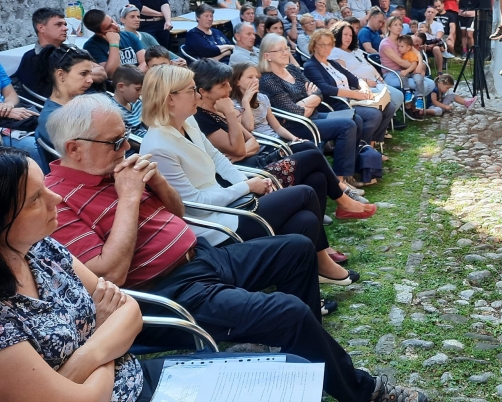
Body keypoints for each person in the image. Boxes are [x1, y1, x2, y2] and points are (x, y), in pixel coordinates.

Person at [42, 99, 425, 402]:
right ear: (75, 149)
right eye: (115, 142)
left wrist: (156, 182)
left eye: (126, 137)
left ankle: (305, 358)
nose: (126, 147)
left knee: (296, 248)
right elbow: (110, 276)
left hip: (201, 257)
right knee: (289, 312)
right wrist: (128, 197)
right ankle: (360, 391)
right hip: (165, 291)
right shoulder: (59, 202)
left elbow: (177, 213)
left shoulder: (113, 170)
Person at [140, 66, 366, 283]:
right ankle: (324, 261)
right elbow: (194, 204)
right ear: (171, 99)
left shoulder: (187, 122)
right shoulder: (158, 147)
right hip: (216, 226)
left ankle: (313, 273)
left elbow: (218, 158)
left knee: (305, 217)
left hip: (232, 204)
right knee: (305, 193)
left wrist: (248, 184)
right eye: (191, 90)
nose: (197, 95)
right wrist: (247, 187)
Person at [0, 149, 147, 402]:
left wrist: (84, 359)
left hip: (138, 379)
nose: (56, 198)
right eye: (34, 200)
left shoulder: (41, 248)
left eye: (45, 186)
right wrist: (103, 336)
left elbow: (129, 310)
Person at [230, 61, 376, 224]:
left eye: (256, 77)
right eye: (250, 77)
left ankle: (318, 212)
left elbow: (277, 127)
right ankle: (343, 193)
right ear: (237, 81)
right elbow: (248, 127)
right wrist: (246, 102)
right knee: (309, 149)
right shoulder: (233, 105)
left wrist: (293, 138)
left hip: (278, 141)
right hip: (265, 148)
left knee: (314, 166)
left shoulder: (262, 98)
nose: (255, 80)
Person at [258, 34, 365, 189]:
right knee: (347, 126)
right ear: (267, 56)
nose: (285, 52)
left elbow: (318, 92)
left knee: (356, 119)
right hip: (295, 126)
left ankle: (347, 175)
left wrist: (306, 103)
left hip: (311, 116)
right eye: (279, 50)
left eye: (286, 48)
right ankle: (339, 181)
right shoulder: (268, 80)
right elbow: (293, 112)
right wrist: (310, 101)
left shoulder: (292, 69)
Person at [303, 30, 396, 147]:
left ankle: (372, 143)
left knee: (389, 107)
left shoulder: (333, 63)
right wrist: (355, 94)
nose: (326, 48)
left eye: (329, 44)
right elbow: (325, 89)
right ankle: (362, 147)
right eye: (323, 45)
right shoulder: (310, 66)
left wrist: (364, 88)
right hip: (336, 104)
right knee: (374, 114)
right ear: (314, 45)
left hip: (351, 100)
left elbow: (355, 79)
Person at [13, 8, 106, 98]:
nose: (65, 28)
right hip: (72, 105)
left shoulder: (72, 50)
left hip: (97, 98)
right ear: (41, 28)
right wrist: (83, 74)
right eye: (59, 25)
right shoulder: (34, 58)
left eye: (65, 24)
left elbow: (102, 73)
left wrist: (78, 75)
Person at [329, 21, 405, 117]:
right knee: (386, 98)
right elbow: (344, 74)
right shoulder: (335, 52)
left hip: (375, 82)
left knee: (398, 96)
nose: (348, 37)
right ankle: (384, 119)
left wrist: (378, 77)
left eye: (351, 35)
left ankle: (387, 118)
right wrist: (364, 81)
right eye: (345, 34)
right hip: (359, 86)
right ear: (337, 35)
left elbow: (367, 65)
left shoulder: (355, 50)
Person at [34, 46, 96, 153]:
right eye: (83, 74)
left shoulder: (79, 105)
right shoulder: (53, 119)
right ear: (61, 75)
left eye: (90, 74)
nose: (90, 80)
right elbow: (81, 157)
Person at [379, 16, 435, 100]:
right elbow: (400, 62)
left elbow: (417, 53)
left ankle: (412, 103)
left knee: (431, 84)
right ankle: (411, 104)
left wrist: (420, 65)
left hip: (407, 70)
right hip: (392, 74)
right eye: (395, 25)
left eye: (400, 25)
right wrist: (416, 67)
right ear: (389, 27)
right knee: (424, 85)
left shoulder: (402, 38)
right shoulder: (385, 44)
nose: (399, 27)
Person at [82, 9, 146, 77]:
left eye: (112, 21)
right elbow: (110, 73)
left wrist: (133, 78)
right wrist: (114, 43)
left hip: (138, 77)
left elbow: (145, 62)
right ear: (99, 33)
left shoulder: (130, 36)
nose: (115, 26)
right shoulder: (91, 46)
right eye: (109, 27)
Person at [0, 64, 41, 164]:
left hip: (8, 119)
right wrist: (5, 112)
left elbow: (11, 94)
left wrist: (8, 106)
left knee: (49, 136)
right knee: (38, 147)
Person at [119, 5, 185, 65]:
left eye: (138, 17)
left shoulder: (146, 36)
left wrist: (177, 58)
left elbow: (160, 50)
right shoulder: (119, 38)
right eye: (132, 17)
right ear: (122, 20)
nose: (137, 20)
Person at [110, 65, 147, 137]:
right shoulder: (114, 112)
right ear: (121, 87)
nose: (141, 93)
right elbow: (128, 138)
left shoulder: (137, 103)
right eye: (137, 89)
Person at [396, 35, 426, 104]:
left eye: (402, 46)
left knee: (418, 80)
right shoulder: (402, 55)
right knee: (402, 75)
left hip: (414, 72)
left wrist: (406, 71)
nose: (399, 48)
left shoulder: (410, 54)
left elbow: (414, 65)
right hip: (408, 72)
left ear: (409, 47)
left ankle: (419, 97)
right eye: (398, 46)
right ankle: (407, 91)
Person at [420, 8, 446, 74]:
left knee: (436, 48)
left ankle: (440, 71)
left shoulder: (438, 25)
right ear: (425, 13)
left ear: (434, 15)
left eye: (432, 12)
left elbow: (438, 38)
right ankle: (423, 70)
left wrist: (432, 45)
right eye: (428, 12)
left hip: (435, 44)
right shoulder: (420, 24)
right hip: (423, 45)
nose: (430, 13)